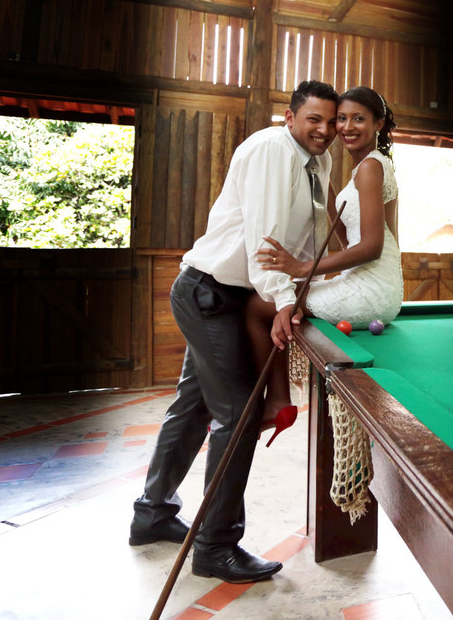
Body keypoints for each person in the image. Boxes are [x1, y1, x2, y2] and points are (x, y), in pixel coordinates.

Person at [128, 80, 338, 585]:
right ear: (290, 117)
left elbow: (303, 240)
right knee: (239, 416)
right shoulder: (272, 149)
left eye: (332, 122)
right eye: (314, 119)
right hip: (209, 293)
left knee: (193, 406)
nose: (325, 130)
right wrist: (282, 299)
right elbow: (266, 238)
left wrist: (310, 287)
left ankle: (152, 514)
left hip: (231, 296)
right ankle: (215, 547)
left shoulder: (320, 161)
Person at [251, 86, 402, 339]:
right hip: (383, 290)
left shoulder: (370, 167)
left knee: (259, 303)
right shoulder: (371, 166)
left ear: (378, 123)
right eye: (341, 118)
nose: (347, 127)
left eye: (358, 118)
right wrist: (321, 176)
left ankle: (270, 370)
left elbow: (372, 247)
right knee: (279, 298)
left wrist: (301, 268)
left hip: (370, 291)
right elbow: (348, 241)